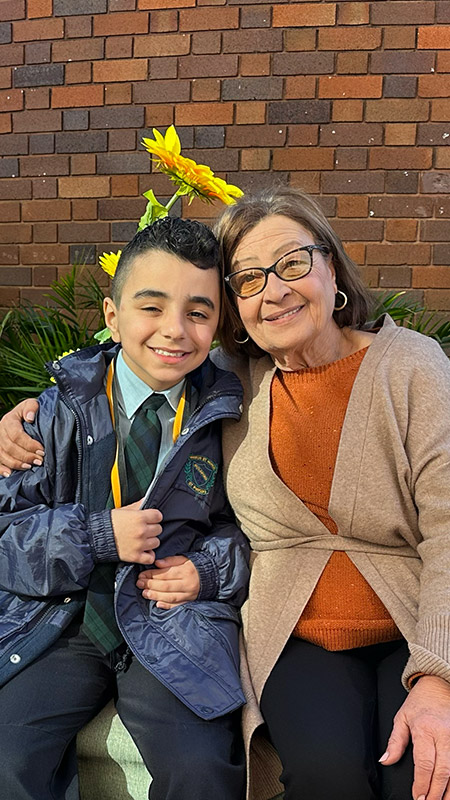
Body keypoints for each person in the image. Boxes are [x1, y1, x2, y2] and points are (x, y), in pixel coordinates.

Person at [5, 188, 450, 800]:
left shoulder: (387, 370)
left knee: (406, 778)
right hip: (218, 625)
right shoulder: (207, 385)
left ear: (332, 266)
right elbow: (132, 357)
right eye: (250, 278)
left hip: (359, 617)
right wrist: (28, 422)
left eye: (294, 262)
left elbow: (248, 534)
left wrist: (439, 676)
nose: (275, 289)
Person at [0, 216, 249, 800]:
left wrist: (207, 571)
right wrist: (96, 538)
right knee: (7, 759)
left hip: (171, 623)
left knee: (203, 769)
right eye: (152, 307)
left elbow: (252, 530)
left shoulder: (231, 418)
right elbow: (6, 537)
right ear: (113, 317)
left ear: (218, 324)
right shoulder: (51, 417)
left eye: (198, 312)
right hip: (62, 619)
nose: (175, 331)